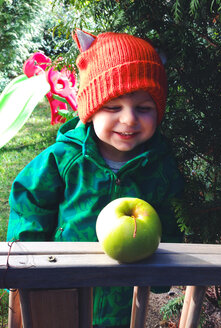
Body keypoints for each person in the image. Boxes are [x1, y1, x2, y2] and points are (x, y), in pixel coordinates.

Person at [7, 30, 184, 327]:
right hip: (61, 279)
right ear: (90, 110)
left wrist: (162, 271)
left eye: (143, 108)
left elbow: (170, 214)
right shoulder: (64, 158)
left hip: (122, 289)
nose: (128, 119)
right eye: (113, 107)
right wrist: (27, 262)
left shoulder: (159, 166)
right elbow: (29, 201)